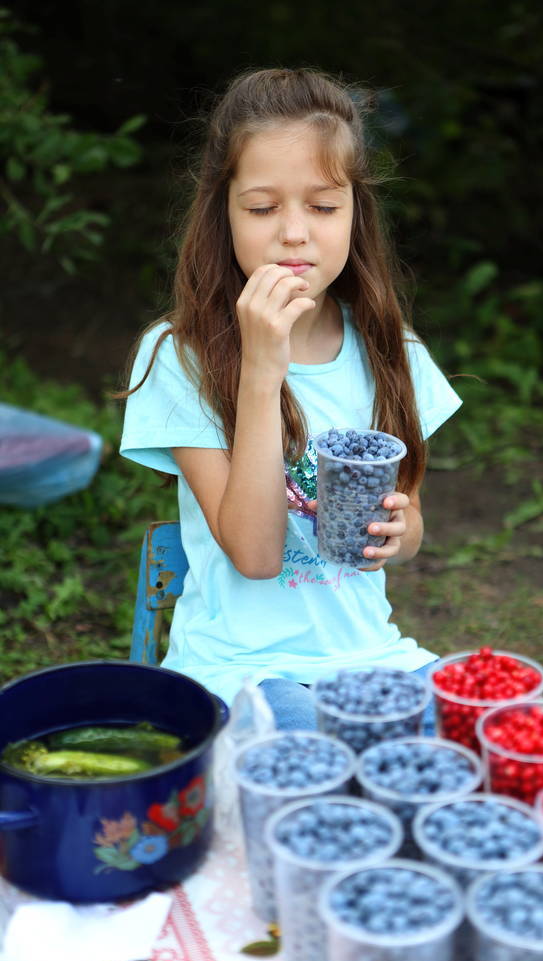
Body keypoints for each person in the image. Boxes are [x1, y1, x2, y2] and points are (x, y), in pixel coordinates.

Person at [119, 68, 461, 730]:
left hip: (372, 659)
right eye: (263, 207)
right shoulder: (179, 355)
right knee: (302, 747)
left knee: (478, 729)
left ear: (356, 212)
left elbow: (412, 522)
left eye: (324, 206)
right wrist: (261, 371)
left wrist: (398, 532)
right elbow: (255, 555)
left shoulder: (391, 350)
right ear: (223, 212)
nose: (295, 233)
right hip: (240, 668)